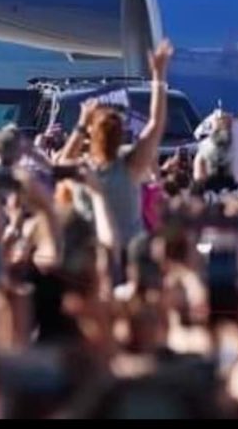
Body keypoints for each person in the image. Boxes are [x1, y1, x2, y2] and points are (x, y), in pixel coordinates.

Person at [57, 39, 174, 281]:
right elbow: (155, 124)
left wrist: (81, 124)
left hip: (92, 263)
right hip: (132, 258)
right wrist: (158, 78)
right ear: (121, 134)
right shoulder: (129, 166)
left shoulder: (83, 172)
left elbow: (60, 163)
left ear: (91, 135)